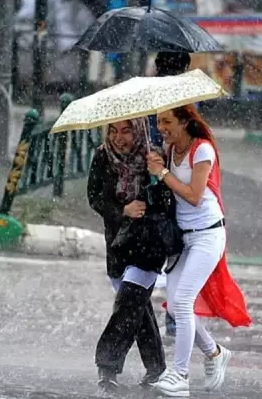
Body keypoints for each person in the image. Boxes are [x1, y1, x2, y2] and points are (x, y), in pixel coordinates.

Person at [145, 104, 252, 397]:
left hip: (208, 236)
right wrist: (157, 168)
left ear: (185, 122)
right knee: (177, 305)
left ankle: (179, 376)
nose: (162, 128)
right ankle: (215, 352)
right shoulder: (169, 150)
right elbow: (168, 189)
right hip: (183, 240)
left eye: (167, 122)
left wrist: (163, 172)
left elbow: (193, 195)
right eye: (158, 122)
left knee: (182, 304)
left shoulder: (202, 149)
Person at [88, 117, 173, 393]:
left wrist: (155, 178)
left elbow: (167, 202)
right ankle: (157, 368)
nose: (118, 137)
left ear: (137, 130)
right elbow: (95, 197)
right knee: (137, 308)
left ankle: (107, 366)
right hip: (117, 244)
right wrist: (122, 210)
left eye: (126, 130)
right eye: (113, 130)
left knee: (128, 303)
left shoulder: (154, 155)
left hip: (148, 244)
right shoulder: (102, 156)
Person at [151, 51, 192, 338]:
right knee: (178, 247)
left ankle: (143, 301)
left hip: (155, 174)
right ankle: (174, 315)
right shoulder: (188, 99)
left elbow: (152, 134)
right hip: (179, 173)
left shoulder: (148, 93)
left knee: (158, 241)